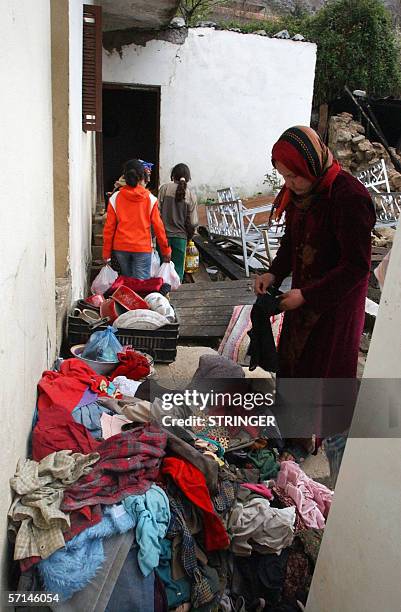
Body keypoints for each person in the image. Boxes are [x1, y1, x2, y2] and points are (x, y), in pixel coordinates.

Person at [255, 126, 376, 379]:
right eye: (284, 176)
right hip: (302, 301)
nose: (288, 183)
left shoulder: (349, 197)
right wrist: (274, 273)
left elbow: (357, 265)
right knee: (294, 368)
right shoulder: (301, 194)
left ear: (311, 165)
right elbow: (292, 240)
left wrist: (308, 295)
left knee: (322, 377)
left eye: (294, 176)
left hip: (334, 309)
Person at [103, 159, 171, 279]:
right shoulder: (150, 199)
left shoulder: (115, 197)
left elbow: (109, 228)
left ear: (125, 177)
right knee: (141, 286)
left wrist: (106, 254)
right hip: (142, 248)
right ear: (142, 177)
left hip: (121, 248)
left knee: (127, 282)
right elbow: (158, 228)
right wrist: (166, 251)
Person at [158, 163, 198, 281]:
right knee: (177, 272)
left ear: (173, 175)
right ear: (187, 177)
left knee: (162, 268)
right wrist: (190, 236)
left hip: (163, 236)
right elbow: (193, 221)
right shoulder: (191, 195)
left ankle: (162, 294)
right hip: (180, 238)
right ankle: (177, 294)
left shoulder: (164, 189)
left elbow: (157, 212)